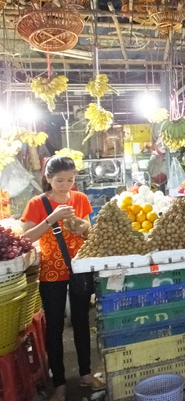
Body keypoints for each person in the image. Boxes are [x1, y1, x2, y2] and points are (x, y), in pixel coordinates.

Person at [22, 156, 105, 401]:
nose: (66, 185)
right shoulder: (37, 203)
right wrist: (52, 219)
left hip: (79, 268)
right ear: (48, 179)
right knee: (55, 328)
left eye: (71, 179)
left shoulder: (80, 199)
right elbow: (25, 239)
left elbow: (90, 234)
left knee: (81, 322)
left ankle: (86, 374)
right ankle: (59, 383)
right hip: (51, 272)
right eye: (60, 180)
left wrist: (82, 227)